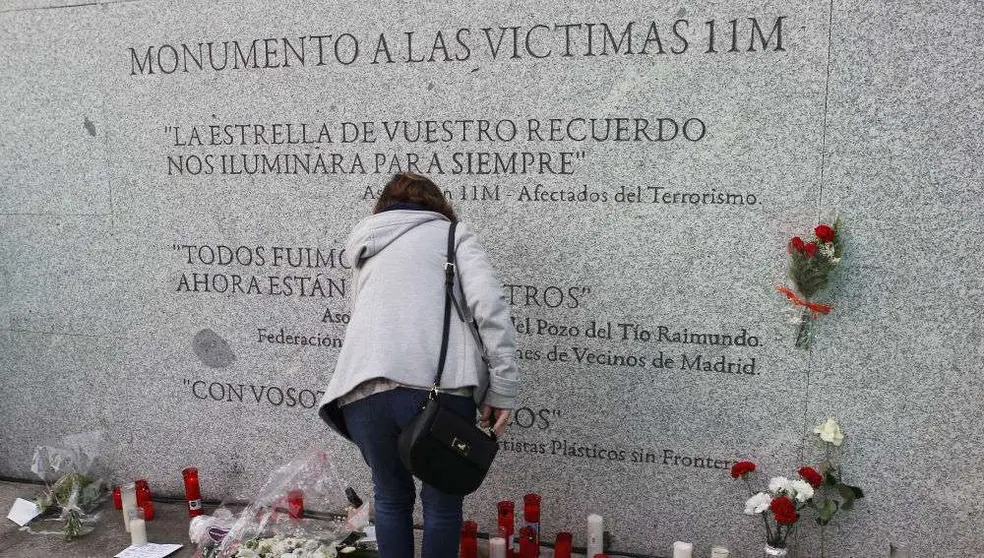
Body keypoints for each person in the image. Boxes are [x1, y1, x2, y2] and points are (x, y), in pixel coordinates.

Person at [319, 173, 520, 558]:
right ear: (437, 205)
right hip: (436, 391)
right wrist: (502, 387)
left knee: (391, 498)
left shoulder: (366, 247)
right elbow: (490, 309)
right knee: (443, 502)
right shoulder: (452, 236)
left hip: (362, 393)